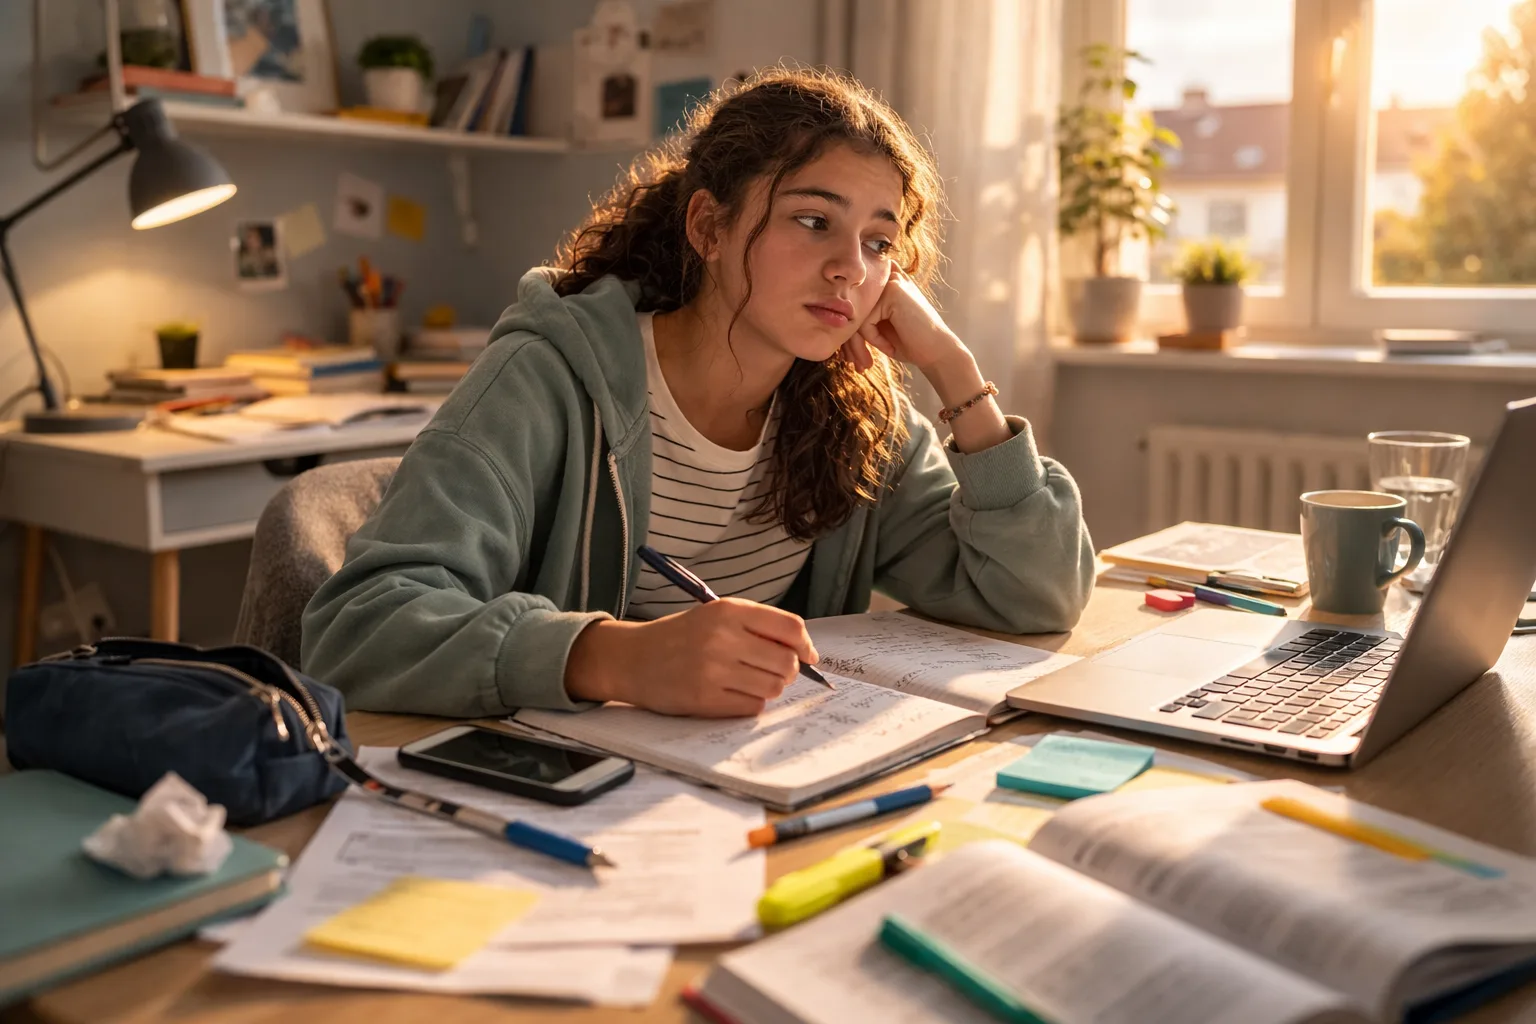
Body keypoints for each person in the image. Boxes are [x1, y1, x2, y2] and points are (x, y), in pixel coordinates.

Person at [302, 67, 1095, 720]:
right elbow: (357, 629)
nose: (852, 268)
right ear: (709, 229)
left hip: (736, 792)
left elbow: (1035, 597)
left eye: (880, 243)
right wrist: (613, 656)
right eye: (813, 221)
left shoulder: (861, 416)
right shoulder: (551, 376)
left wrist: (955, 371)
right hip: (553, 794)